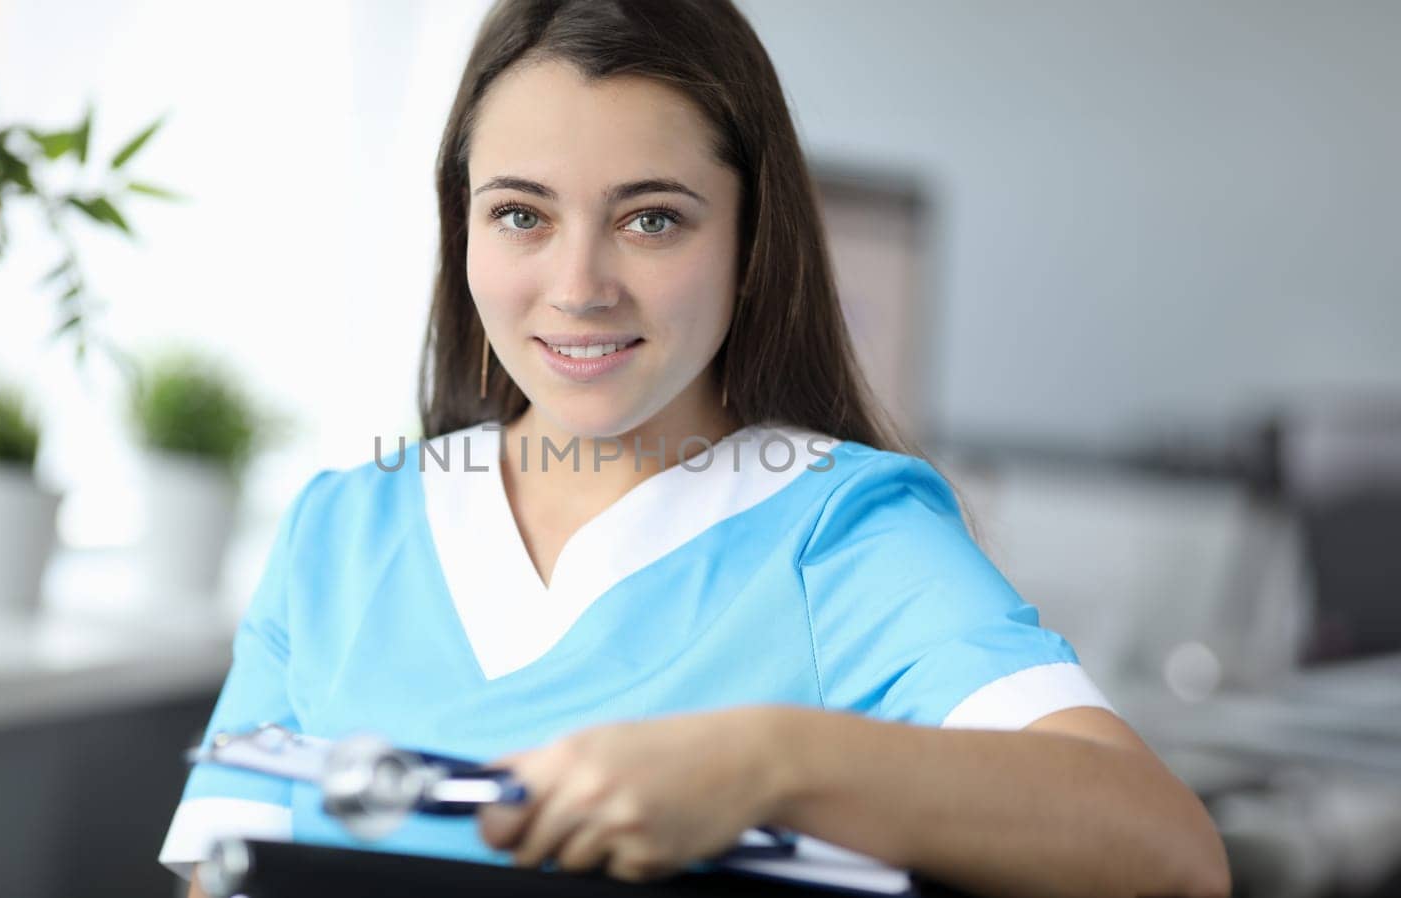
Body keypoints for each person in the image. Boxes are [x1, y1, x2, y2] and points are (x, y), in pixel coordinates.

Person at [161, 1, 1231, 895]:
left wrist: (768, 760)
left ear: (751, 240)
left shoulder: (841, 531)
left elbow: (1165, 849)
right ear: (464, 228)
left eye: (652, 220)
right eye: (522, 215)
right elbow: (215, 871)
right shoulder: (343, 526)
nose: (579, 286)